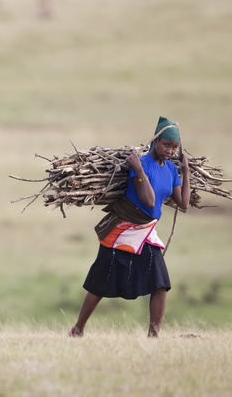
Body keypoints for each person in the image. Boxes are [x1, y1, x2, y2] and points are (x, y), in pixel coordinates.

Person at [69, 116, 191, 338]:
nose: (169, 151)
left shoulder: (172, 170)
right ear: (155, 141)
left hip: (146, 230)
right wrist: (139, 170)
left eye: (174, 147)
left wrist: (186, 171)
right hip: (123, 228)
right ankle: (78, 330)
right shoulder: (141, 164)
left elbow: (183, 203)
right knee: (99, 282)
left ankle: (153, 336)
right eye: (166, 145)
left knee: (161, 283)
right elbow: (149, 201)